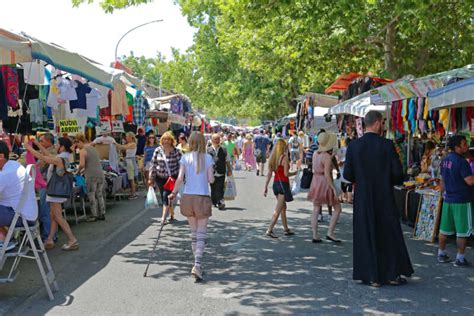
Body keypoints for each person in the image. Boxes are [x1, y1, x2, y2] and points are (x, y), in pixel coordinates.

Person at [344, 110, 413, 287]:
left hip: (364, 197)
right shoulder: (387, 145)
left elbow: (348, 174)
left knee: (366, 233)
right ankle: (390, 273)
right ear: (377, 123)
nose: (383, 126)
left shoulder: (353, 146)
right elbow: (398, 174)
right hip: (384, 195)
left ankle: (372, 276)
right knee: (388, 234)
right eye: (382, 123)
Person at [168, 132, 215, 281]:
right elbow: (211, 180)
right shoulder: (208, 158)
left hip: (187, 197)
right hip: (202, 197)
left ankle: (197, 265)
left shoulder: (185, 157)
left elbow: (180, 178)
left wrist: (173, 193)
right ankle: (197, 264)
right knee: (201, 233)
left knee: (193, 233)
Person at [24, 137, 79, 251]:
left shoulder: (60, 159)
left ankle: (72, 239)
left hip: (55, 192)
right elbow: (47, 155)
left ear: (62, 146)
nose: (55, 146)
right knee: (53, 216)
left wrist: (30, 148)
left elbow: (44, 157)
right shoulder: (63, 157)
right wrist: (37, 144)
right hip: (57, 191)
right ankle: (49, 239)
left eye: (57, 144)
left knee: (57, 216)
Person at [437, 135, 474, 267]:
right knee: (462, 231)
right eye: (464, 144)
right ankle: (460, 258)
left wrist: (443, 193)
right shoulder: (462, 162)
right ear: (457, 147)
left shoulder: (445, 160)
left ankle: (441, 253)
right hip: (462, 200)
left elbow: (442, 181)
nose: (466, 146)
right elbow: (470, 181)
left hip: (448, 199)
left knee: (444, 229)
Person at [0, 141, 37, 251]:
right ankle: (7, 239)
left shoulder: (5, 174)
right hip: (28, 213)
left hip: (22, 217)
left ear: (1, 156)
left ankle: (4, 240)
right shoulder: (14, 165)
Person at [307, 132, 342, 243]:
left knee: (316, 208)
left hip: (316, 180)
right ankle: (330, 232)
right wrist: (333, 188)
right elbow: (327, 174)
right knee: (337, 208)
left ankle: (315, 234)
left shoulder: (315, 154)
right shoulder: (326, 156)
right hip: (324, 181)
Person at [263, 139, 297, 238]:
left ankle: (286, 228)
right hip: (283, 184)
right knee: (278, 208)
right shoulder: (284, 157)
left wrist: (265, 186)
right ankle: (270, 229)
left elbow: (269, 174)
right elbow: (286, 174)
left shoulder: (273, 158)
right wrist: (295, 173)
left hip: (275, 184)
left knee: (283, 207)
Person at [149, 131, 182, 223]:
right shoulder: (158, 150)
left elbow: (181, 165)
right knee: (166, 196)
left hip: (171, 178)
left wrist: (181, 178)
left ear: (172, 141)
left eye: (168, 139)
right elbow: (153, 164)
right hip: (159, 177)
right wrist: (151, 177)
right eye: (164, 139)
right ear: (162, 141)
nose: (166, 141)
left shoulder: (176, 151)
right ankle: (171, 213)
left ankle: (163, 217)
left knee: (165, 196)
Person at [75, 133, 106, 222]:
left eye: (77, 144)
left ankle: (94, 215)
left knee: (91, 194)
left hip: (91, 175)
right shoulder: (93, 148)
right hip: (100, 174)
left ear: (80, 141)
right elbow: (93, 163)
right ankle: (102, 213)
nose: (77, 146)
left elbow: (82, 164)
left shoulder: (83, 150)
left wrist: (78, 171)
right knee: (99, 194)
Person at [37, 133, 57, 242]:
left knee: (46, 212)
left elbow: (41, 165)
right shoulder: (50, 152)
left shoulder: (51, 153)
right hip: (46, 185)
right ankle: (51, 236)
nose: (40, 143)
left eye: (41, 141)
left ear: (49, 142)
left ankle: (48, 236)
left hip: (46, 185)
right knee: (49, 212)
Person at [207, 133, 232, 210]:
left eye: (218, 139)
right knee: (213, 187)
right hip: (212, 172)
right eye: (215, 139)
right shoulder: (208, 150)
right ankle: (214, 201)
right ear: (211, 140)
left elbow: (227, 160)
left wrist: (229, 170)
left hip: (221, 171)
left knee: (220, 187)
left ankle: (220, 202)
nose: (217, 141)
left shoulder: (224, 149)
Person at [114, 132, 138, 200]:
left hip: (130, 162)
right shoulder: (129, 144)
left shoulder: (133, 144)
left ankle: (133, 193)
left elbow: (123, 147)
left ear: (131, 137)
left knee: (131, 179)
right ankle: (132, 192)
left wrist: (115, 144)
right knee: (130, 178)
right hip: (128, 161)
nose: (126, 138)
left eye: (127, 137)